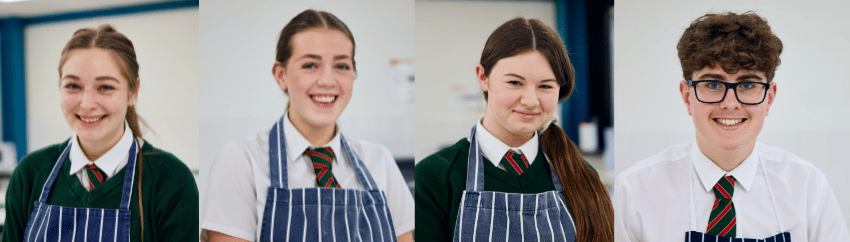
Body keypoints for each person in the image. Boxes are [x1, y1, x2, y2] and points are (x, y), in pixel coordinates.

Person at [614, 11, 850, 241]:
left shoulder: (808, 188)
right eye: (713, 84)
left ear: (769, 98)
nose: (730, 104)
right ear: (687, 96)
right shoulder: (635, 191)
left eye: (747, 85)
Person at [200, 9, 415, 242]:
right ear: (280, 75)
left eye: (341, 66)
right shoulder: (240, 161)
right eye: (310, 65)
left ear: (353, 74)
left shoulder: (379, 161)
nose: (327, 80)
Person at [415, 17, 614, 242]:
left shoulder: (584, 177)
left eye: (546, 86)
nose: (530, 100)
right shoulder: (434, 177)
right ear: (483, 77)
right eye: (515, 83)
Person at [1, 24, 199, 242]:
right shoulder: (30, 174)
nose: (87, 104)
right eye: (73, 86)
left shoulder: (170, 180)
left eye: (105, 87)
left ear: (133, 91)